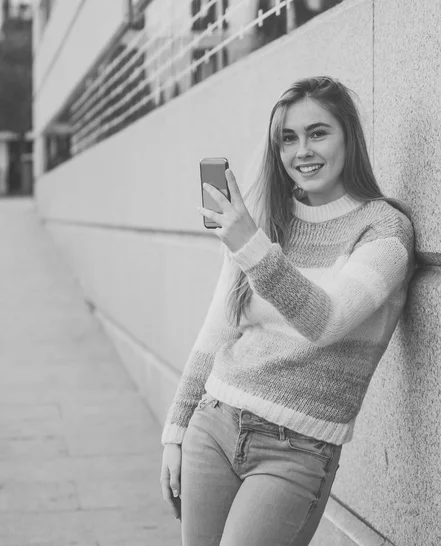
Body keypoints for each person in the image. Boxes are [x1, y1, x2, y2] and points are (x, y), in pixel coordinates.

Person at [160, 75, 416, 546]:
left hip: (297, 448)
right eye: (288, 139)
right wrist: (176, 430)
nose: (303, 151)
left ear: (349, 137)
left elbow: (327, 320)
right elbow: (218, 329)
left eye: (318, 133)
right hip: (215, 422)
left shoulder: (383, 231)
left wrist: (250, 246)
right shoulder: (265, 219)